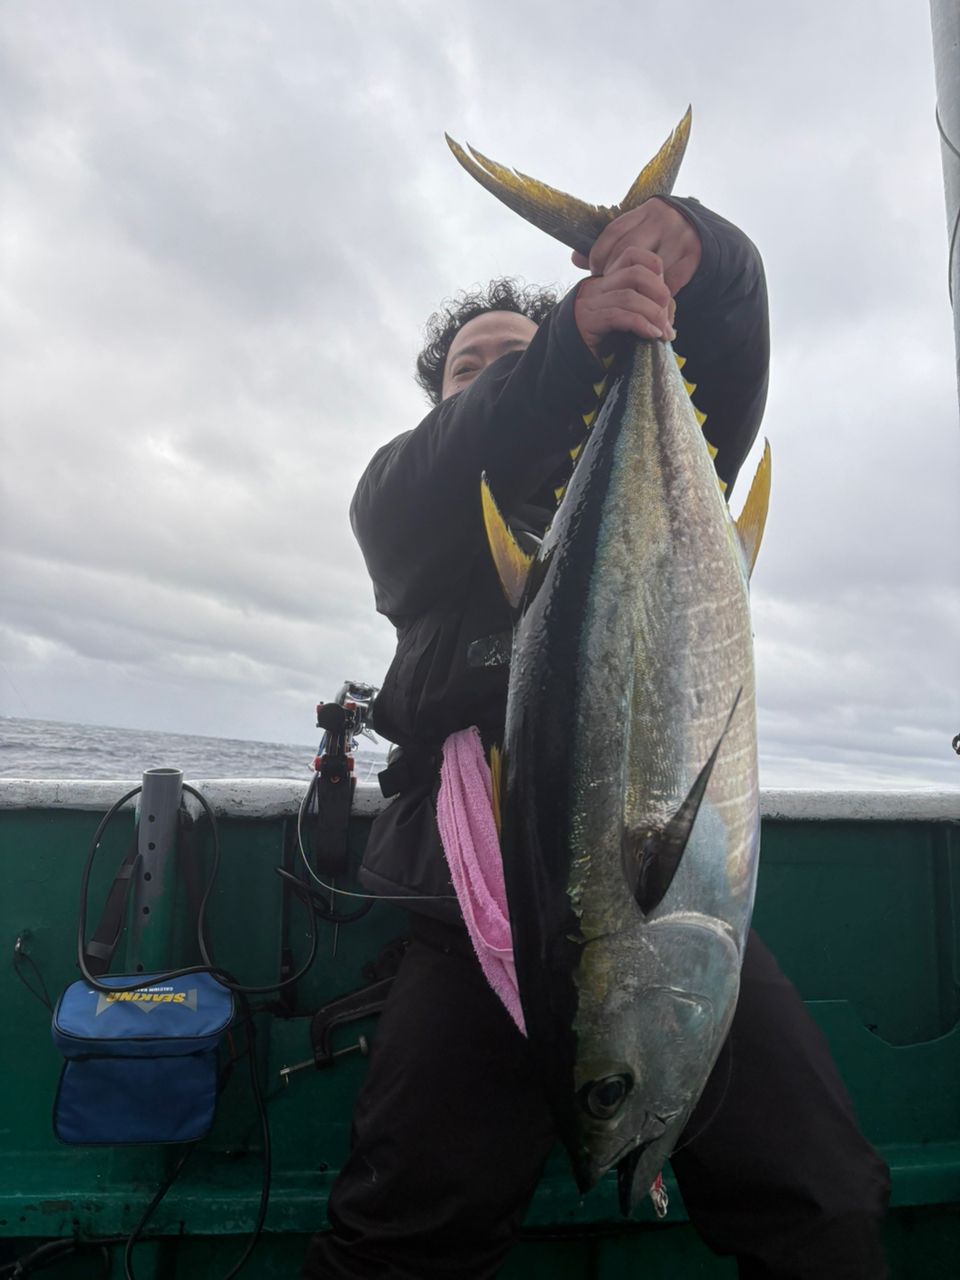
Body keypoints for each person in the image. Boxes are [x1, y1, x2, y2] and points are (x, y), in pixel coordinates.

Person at [302, 196, 890, 1278]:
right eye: (469, 367)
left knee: (826, 1198)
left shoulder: (659, 481)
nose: (494, 370)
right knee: (400, 1236)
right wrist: (564, 342)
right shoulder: (413, 506)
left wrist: (703, 257)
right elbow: (423, 473)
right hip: (460, 902)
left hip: (677, 917)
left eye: (513, 352)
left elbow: (728, 352)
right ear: (442, 403)